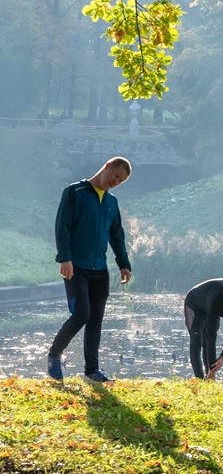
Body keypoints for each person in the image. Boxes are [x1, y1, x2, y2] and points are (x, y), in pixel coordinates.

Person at [47, 156, 133, 383]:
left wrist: (123, 263)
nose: (115, 181)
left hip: (100, 271)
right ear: (106, 166)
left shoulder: (112, 203)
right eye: (115, 176)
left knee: (95, 320)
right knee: (81, 314)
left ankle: (92, 370)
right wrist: (65, 258)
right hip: (76, 268)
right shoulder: (74, 192)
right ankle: (54, 354)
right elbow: (62, 227)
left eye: (121, 181)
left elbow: (117, 235)